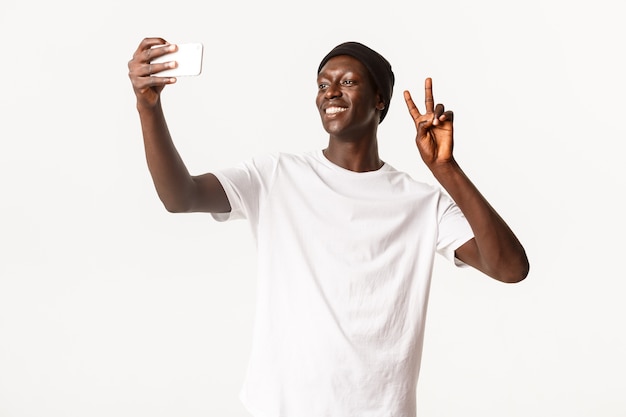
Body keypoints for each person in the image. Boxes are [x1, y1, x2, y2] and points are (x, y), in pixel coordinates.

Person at [128, 37, 529, 417]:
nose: (330, 92)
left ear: (379, 100)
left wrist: (446, 169)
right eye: (323, 84)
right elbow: (180, 197)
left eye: (347, 81)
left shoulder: (421, 202)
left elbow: (510, 268)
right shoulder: (276, 175)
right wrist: (148, 109)